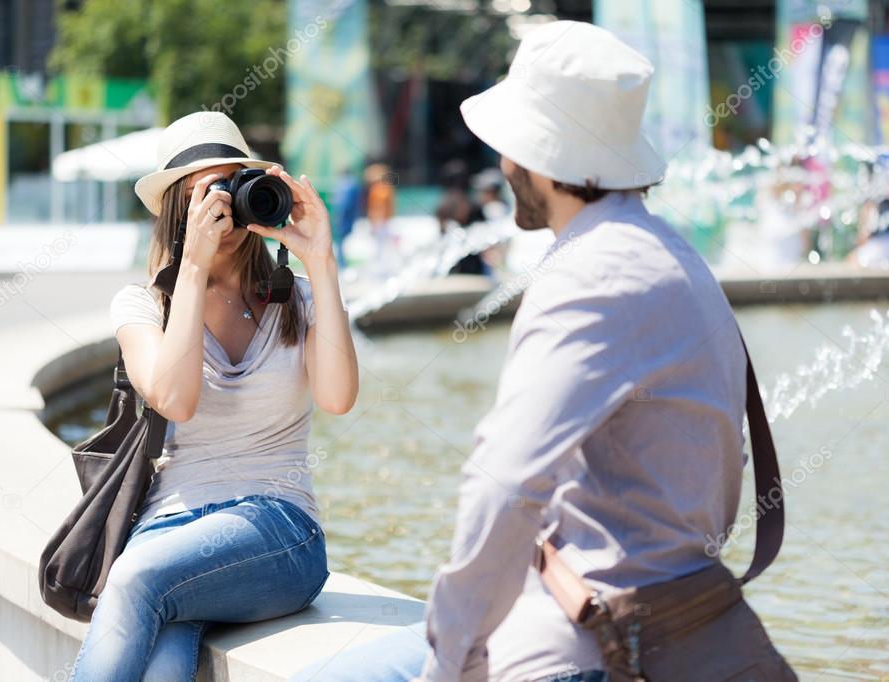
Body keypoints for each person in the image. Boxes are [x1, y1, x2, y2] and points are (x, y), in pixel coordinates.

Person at [289, 20, 794, 682]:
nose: (502, 165)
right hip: (674, 620)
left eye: (509, 147)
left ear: (540, 157)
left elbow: (504, 486)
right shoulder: (671, 254)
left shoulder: (587, 273)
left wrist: (448, 660)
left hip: (581, 643)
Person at [68, 111, 359, 682]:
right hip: (169, 531)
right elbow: (175, 399)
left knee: (136, 580)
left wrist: (321, 260)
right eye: (210, 192)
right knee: (163, 662)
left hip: (280, 527)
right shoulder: (143, 305)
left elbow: (339, 397)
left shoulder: (294, 298)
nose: (228, 204)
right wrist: (194, 270)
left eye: (237, 185)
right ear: (179, 207)